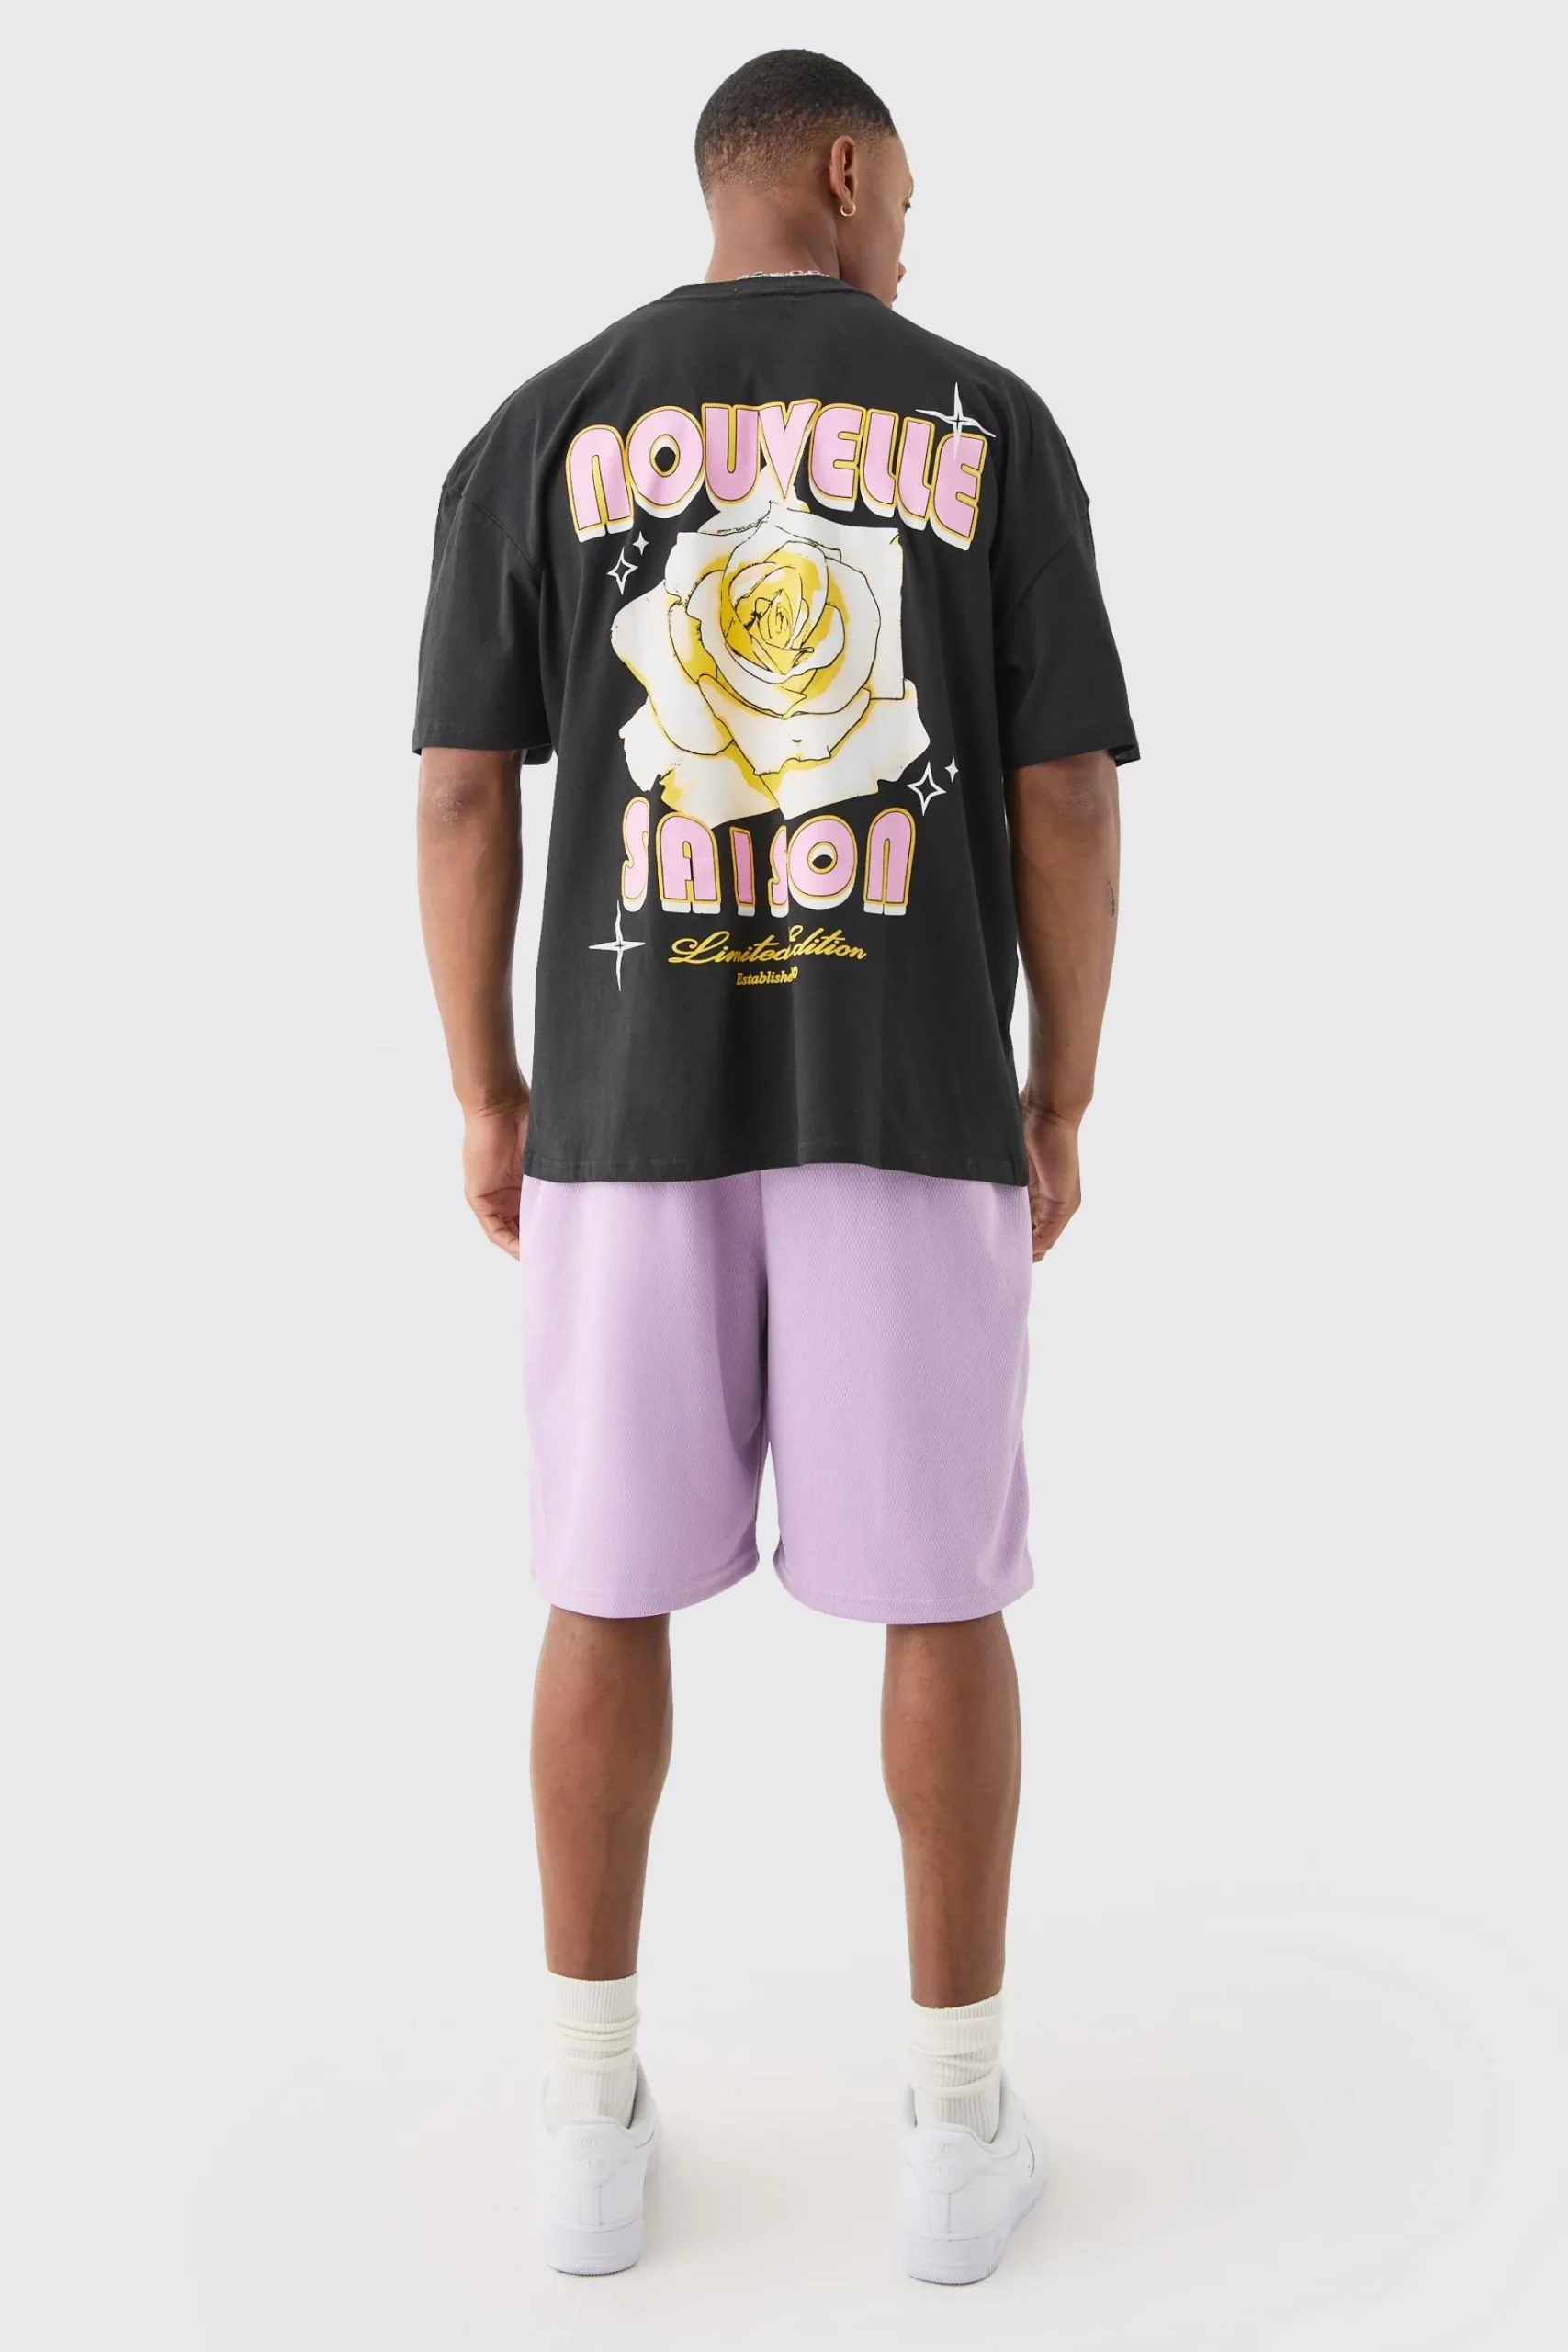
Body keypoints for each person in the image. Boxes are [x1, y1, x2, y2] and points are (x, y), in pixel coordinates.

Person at [413, 47, 1136, 2286]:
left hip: (625, 1111)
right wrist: (1059, 1089)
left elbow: (459, 791)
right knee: (943, 1592)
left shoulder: (537, 426)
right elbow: (1065, 795)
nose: (910, 237)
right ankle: (950, 2134)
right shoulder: (987, 421)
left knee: (600, 1584)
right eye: (905, 192)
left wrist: (490, 1089)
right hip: (906, 1096)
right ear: (841, 167)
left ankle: (585, 2125)